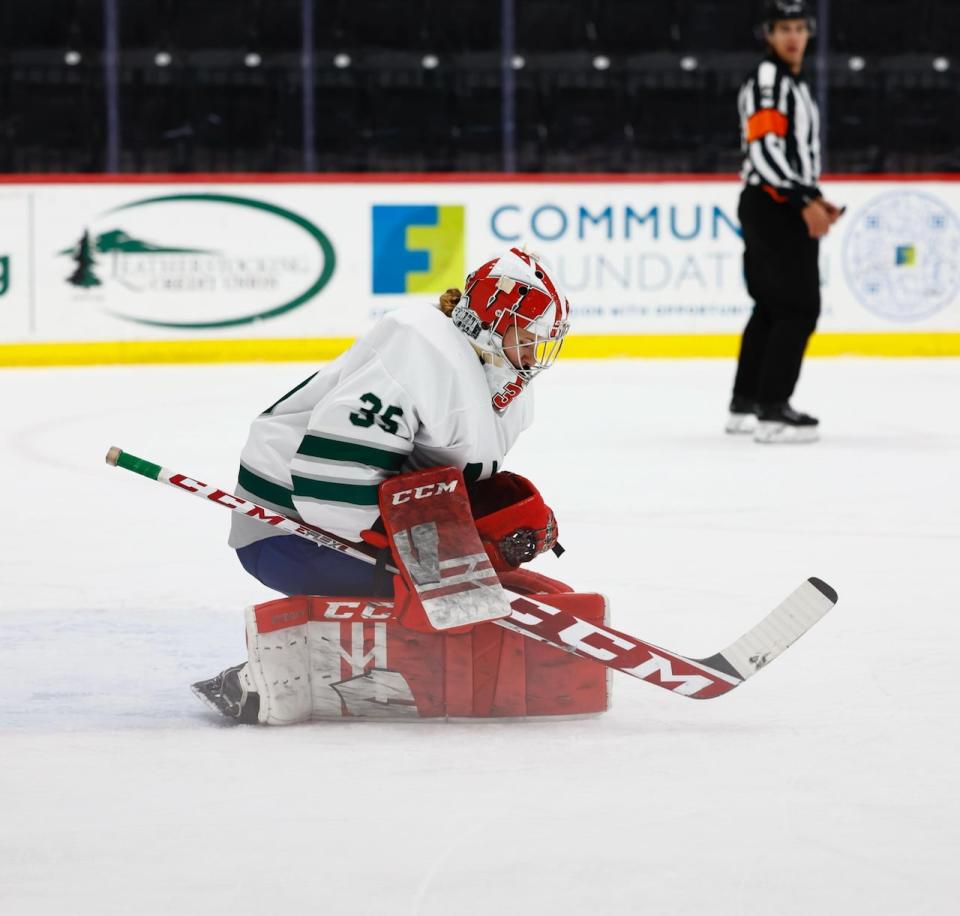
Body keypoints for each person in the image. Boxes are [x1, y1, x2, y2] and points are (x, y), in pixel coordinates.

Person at [192, 247, 571, 719]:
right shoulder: (418, 355)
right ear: (487, 325)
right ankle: (272, 677)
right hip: (287, 531)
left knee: (487, 582)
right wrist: (429, 556)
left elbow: (443, 482)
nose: (535, 353)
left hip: (351, 522)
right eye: (527, 337)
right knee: (447, 600)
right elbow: (327, 486)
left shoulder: (498, 384)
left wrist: (493, 522)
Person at [726, 0, 843, 443]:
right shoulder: (770, 81)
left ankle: (747, 402)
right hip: (774, 205)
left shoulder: (789, 82)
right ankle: (773, 411)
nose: (793, 36)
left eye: (799, 27)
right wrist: (804, 199)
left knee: (772, 306)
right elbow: (765, 153)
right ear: (769, 35)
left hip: (774, 202)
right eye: (784, 28)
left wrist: (812, 197)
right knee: (798, 307)